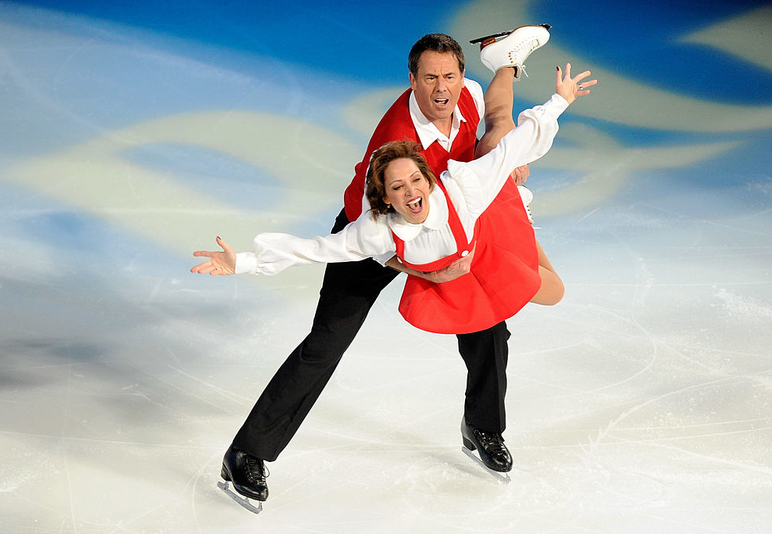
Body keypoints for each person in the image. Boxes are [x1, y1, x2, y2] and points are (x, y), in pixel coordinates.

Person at [193, 26, 553, 503]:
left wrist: (506, 166)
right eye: (428, 79)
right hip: (374, 237)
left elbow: (491, 124)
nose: (440, 89)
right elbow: (360, 241)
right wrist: (425, 272)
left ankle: (483, 427)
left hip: (438, 220)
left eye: (448, 76)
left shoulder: (464, 95)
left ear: (461, 75)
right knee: (325, 344)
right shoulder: (395, 146)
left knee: (489, 324)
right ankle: (247, 454)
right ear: (412, 79)